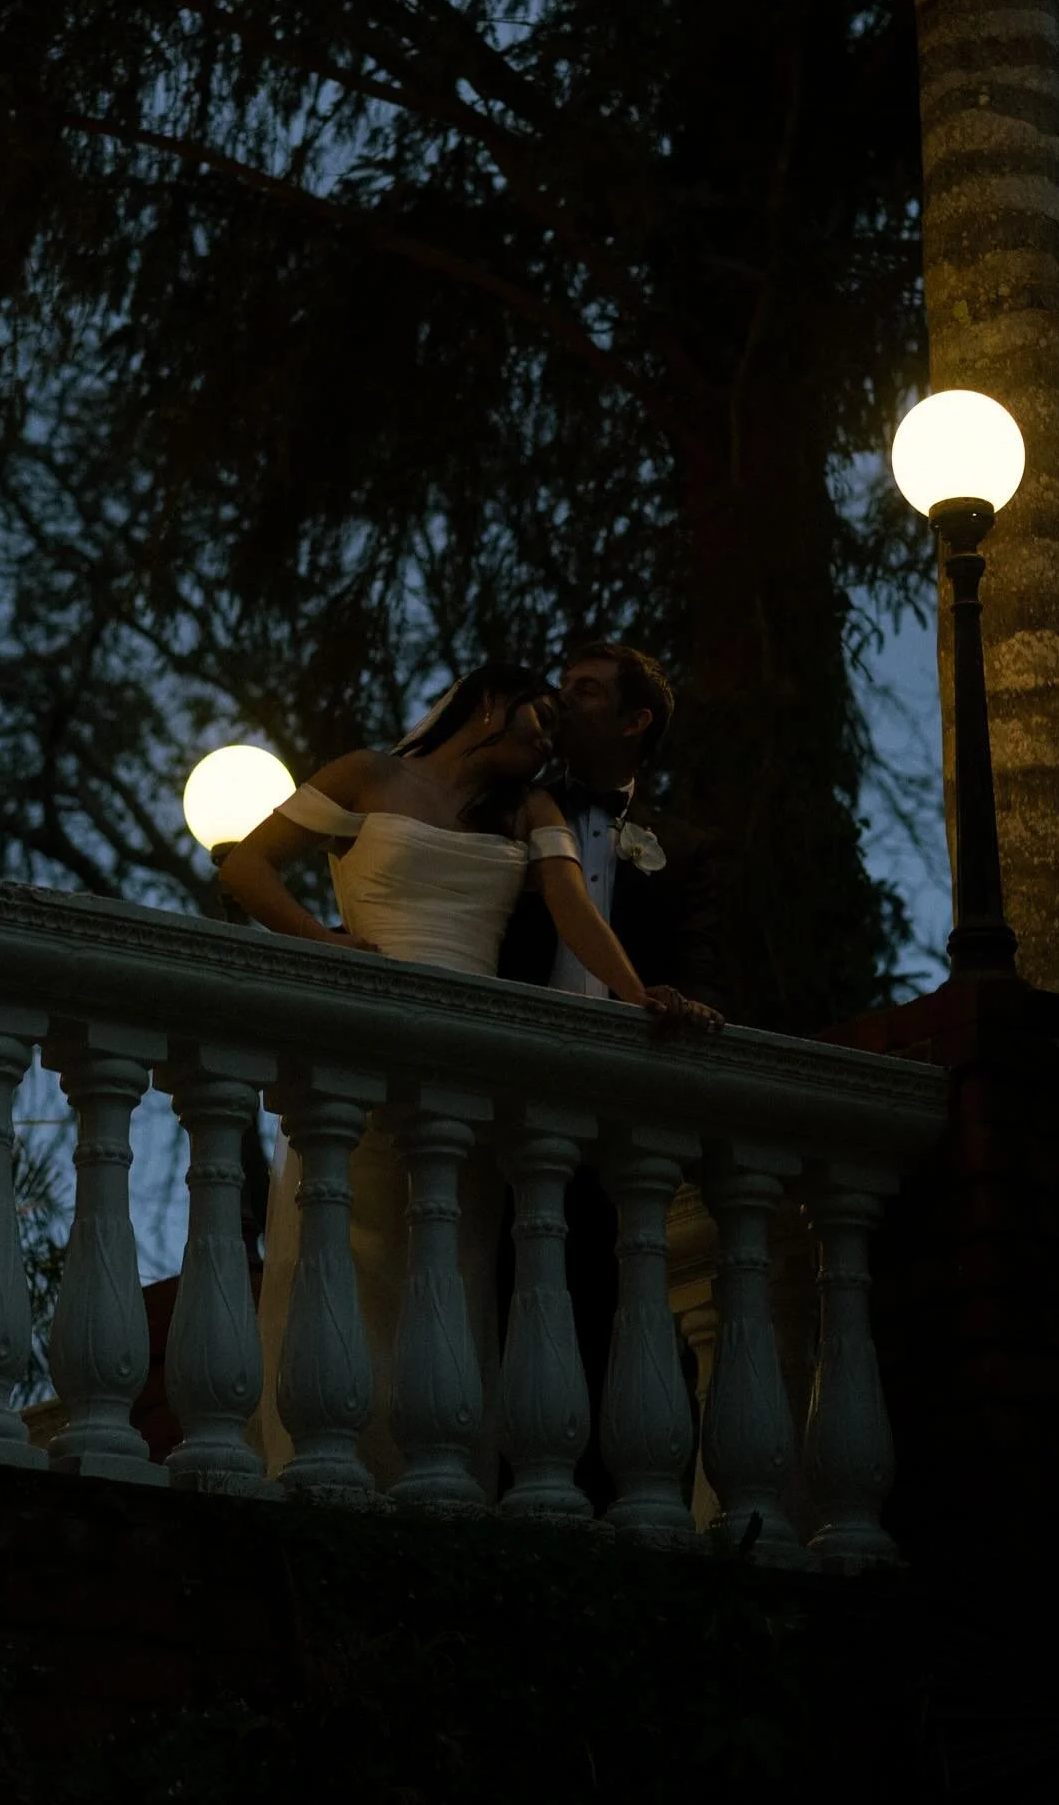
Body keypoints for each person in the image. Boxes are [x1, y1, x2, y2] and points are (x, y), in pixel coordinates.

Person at [218, 663, 718, 1495]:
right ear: (490, 701)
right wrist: (319, 939)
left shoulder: (530, 813)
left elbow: (574, 910)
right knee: (345, 1249)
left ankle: (434, 1470)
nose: (547, 739)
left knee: (450, 1265)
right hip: (364, 1041)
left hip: (467, 1063)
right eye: (539, 719)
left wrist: (636, 992)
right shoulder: (365, 775)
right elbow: (246, 869)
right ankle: (324, 1460)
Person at [497, 640, 726, 1514]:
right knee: (505, 1286)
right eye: (562, 687)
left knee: (619, 1295)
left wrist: (688, 1006)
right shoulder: (505, 813)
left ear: (636, 722)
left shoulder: (686, 846)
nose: (564, 702)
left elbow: (701, 964)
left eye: (587, 692)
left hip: (622, 1107)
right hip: (515, 1085)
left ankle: (623, 1499)